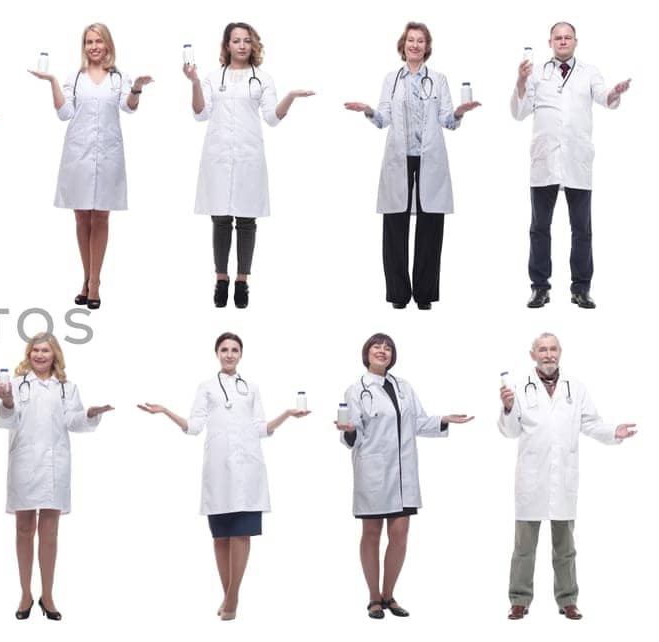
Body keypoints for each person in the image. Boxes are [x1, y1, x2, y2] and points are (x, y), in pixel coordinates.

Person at [135, 332, 307, 620]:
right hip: (218, 470)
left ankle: (232, 598)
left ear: (241, 354)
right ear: (217, 353)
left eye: (235, 350)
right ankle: (229, 596)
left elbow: (261, 428)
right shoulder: (206, 388)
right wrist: (165, 411)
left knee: (241, 534)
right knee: (221, 537)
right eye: (224, 349)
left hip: (249, 470)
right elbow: (193, 426)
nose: (229, 354)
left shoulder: (251, 388)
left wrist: (287, 415)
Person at [498, 333, 637, 620]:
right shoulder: (519, 388)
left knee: (566, 547)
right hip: (531, 479)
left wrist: (614, 432)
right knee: (524, 548)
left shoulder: (576, 387)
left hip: (563, 479)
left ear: (560, 352)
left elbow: (590, 423)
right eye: (542, 350)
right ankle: (519, 600)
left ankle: (568, 599)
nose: (548, 355)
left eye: (552, 349)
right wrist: (509, 408)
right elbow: (510, 431)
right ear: (532, 354)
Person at [343, 22, 480, 310]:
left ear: (427, 47)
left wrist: (459, 112)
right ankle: (398, 295)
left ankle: (425, 295)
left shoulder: (438, 79)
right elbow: (383, 119)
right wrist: (368, 111)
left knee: (430, 227)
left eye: (420, 41)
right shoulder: (392, 79)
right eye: (410, 40)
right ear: (403, 45)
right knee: (395, 227)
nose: (415, 45)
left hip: (430, 158)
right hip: (399, 158)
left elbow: (448, 121)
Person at [334, 333, 471, 619]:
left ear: (393, 356)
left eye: (387, 348)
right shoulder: (356, 389)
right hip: (373, 472)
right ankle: (373, 597)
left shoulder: (404, 387)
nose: (382, 351)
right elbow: (353, 431)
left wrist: (444, 420)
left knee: (400, 535)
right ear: (366, 353)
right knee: (371, 534)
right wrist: (348, 431)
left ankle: (389, 595)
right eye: (377, 347)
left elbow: (418, 422)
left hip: (403, 474)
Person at [185, 22, 314, 309]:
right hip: (218, 156)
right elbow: (200, 113)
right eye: (236, 40)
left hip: (248, 157)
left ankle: (242, 281)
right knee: (220, 218)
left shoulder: (263, 78)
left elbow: (272, 117)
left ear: (253, 45)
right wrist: (194, 83)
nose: (242, 45)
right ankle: (221, 279)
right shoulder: (211, 77)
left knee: (246, 221)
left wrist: (290, 97)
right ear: (227, 45)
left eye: (246, 40)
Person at [0, 332, 113, 621]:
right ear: (28, 354)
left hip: (54, 466)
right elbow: (6, 421)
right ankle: (25, 593)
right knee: (23, 529)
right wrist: (7, 401)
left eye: (45, 350)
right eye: (35, 351)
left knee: (50, 532)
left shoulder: (66, 388)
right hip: (24, 462)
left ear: (55, 354)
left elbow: (73, 421)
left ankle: (48, 594)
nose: (40, 356)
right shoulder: (17, 385)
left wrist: (91, 414)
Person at [512, 22, 632, 310]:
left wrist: (615, 92)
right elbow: (519, 112)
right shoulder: (536, 72)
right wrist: (519, 81)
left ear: (576, 41)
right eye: (558, 38)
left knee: (582, 230)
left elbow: (605, 98)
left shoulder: (589, 72)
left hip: (577, 162)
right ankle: (539, 288)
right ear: (550, 42)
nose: (563, 41)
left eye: (567, 37)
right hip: (545, 162)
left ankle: (581, 288)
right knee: (539, 228)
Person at [31, 23, 150, 309]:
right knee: (82, 217)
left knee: (101, 218)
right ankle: (85, 278)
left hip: (108, 154)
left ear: (108, 45)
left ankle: (95, 282)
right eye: (89, 42)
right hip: (78, 154)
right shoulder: (76, 77)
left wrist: (136, 89)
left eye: (99, 41)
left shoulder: (119, 77)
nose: (94, 46)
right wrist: (53, 82)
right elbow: (64, 113)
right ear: (83, 46)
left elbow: (129, 107)